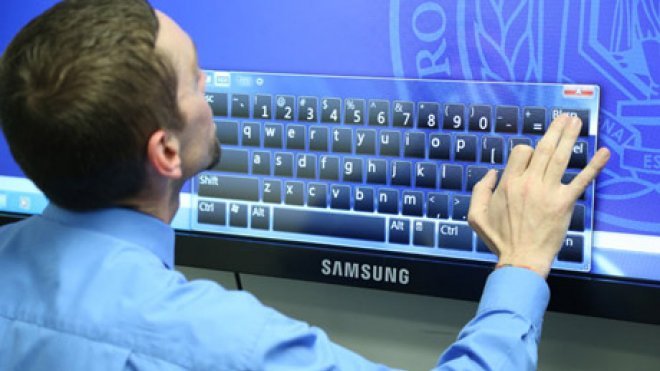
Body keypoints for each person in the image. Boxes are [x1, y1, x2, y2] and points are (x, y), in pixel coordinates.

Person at [0, 0, 610, 370]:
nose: (210, 83)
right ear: (164, 151)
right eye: (194, 79)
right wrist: (525, 264)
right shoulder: (223, 343)